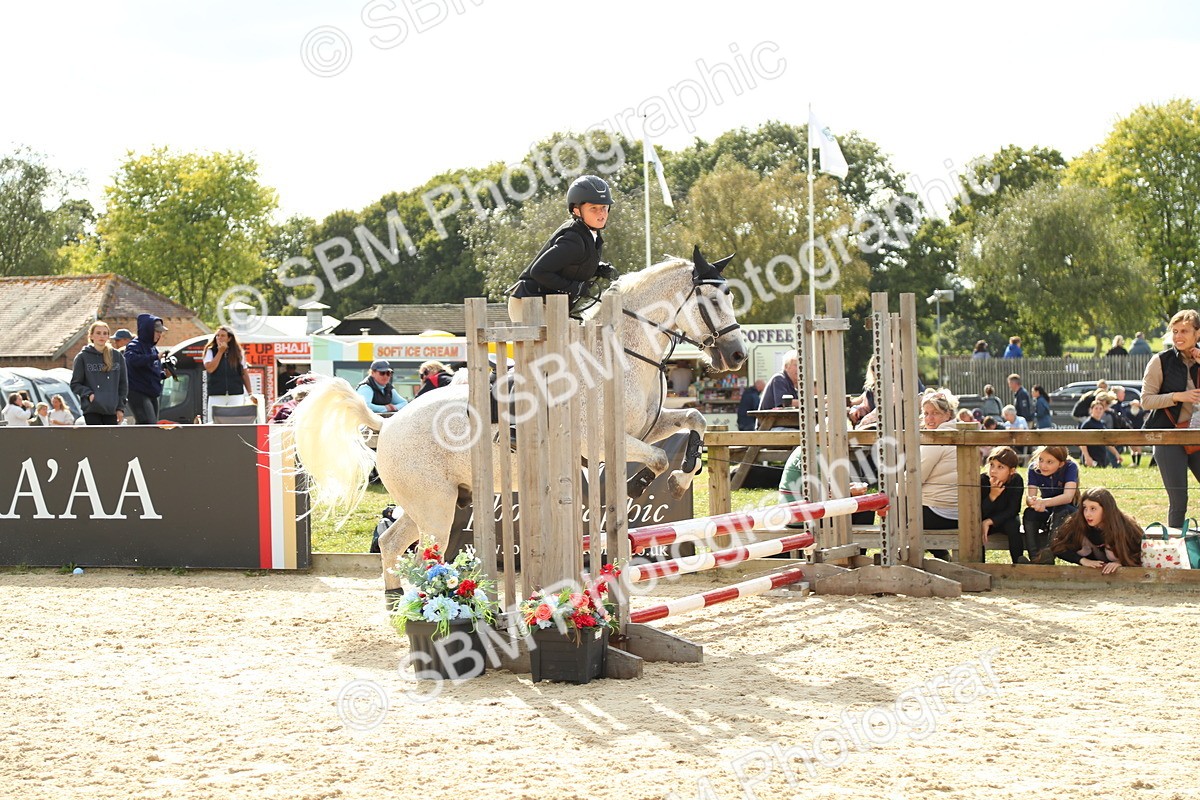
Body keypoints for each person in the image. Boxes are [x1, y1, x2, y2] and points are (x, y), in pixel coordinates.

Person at [508, 174, 618, 320]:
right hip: (530, 302)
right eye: (593, 208)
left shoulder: (590, 235)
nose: (601, 213)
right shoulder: (573, 240)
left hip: (550, 303)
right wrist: (575, 288)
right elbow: (538, 271)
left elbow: (571, 264)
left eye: (604, 207)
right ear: (577, 211)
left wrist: (598, 268)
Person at [1140, 309, 1200, 527]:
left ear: (1198, 334)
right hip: (1168, 437)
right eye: (1175, 331)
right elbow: (1146, 400)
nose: (1178, 336)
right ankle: (1174, 546)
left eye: (1184, 331)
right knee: (1179, 501)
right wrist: (1177, 396)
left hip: (1197, 436)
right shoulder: (1160, 361)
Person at [1049, 488, 1143, 572]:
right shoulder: (1077, 522)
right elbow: (1058, 547)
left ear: (1106, 509)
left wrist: (1120, 562)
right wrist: (1082, 560)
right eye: (1085, 508)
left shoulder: (1125, 526)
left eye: (1093, 509)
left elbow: (1140, 553)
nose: (1087, 514)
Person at [919, 388, 960, 559]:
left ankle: (905, 556)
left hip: (940, 513)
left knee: (897, 505)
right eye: (926, 413)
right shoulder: (959, 432)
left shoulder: (937, 439)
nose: (929, 418)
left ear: (947, 414)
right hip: (960, 511)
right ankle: (940, 555)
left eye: (935, 413)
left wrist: (889, 494)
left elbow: (913, 478)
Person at [1022, 445, 1080, 564]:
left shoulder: (1070, 467)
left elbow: (1068, 497)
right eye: (1041, 460)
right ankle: (1035, 557)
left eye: (1049, 462)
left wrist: (1044, 502)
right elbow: (1030, 497)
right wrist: (1033, 502)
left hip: (1069, 512)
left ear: (1061, 464)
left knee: (1061, 509)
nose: (1043, 465)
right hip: (1048, 511)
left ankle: (1049, 554)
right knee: (1029, 513)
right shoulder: (1034, 468)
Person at [71, 320, 128, 426]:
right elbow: (75, 384)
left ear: (108, 337)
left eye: (105, 333)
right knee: (96, 436)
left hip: (111, 409)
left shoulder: (117, 356)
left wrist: (120, 408)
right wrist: (89, 394)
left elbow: (123, 385)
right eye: (98, 333)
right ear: (91, 336)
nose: (102, 336)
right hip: (92, 409)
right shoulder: (82, 357)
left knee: (110, 437)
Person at [203, 325, 258, 422]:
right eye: (217, 335)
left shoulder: (238, 353)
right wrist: (220, 352)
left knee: (235, 421)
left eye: (223, 335)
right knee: (214, 422)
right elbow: (210, 368)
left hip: (235, 394)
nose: (219, 338)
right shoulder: (211, 351)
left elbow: (244, 374)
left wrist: (250, 393)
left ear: (229, 338)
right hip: (216, 394)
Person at [123, 314, 171, 425]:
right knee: (148, 425)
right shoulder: (134, 345)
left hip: (151, 393)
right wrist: (155, 357)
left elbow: (151, 372)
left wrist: (164, 375)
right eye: (157, 331)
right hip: (138, 392)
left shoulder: (153, 348)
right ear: (148, 330)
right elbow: (131, 359)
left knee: (151, 427)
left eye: (160, 332)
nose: (159, 335)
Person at [980, 446, 1025, 563]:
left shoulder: (1016, 480)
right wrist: (992, 495)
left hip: (1006, 519)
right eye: (992, 465)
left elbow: (1013, 509)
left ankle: (1019, 562)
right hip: (984, 519)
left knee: (1013, 524)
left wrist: (990, 521)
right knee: (976, 528)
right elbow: (979, 511)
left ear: (1012, 471)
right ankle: (979, 564)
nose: (993, 470)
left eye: (1000, 467)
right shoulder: (983, 480)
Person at [1079, 400, 1112, 468]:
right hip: (1091, 458)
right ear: (1091, 410)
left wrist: (1117, 454)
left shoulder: (1103, 424)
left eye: (1100, 409)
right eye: (1096, 408)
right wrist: (1087, 457)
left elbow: (1107, 441)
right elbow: (1082, 442)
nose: (1098, 410)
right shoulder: (1087, 424)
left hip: (1101, 457)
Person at [1127, 398, 1147, 465]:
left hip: (1138, 431)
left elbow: (1147, 410)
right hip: (1132, 431)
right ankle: (1134, 462)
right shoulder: (1128, 412)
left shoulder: (1140, 412)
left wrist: (1140, 405)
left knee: (1138, 448)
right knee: (1133, 448)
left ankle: (1136, 463)